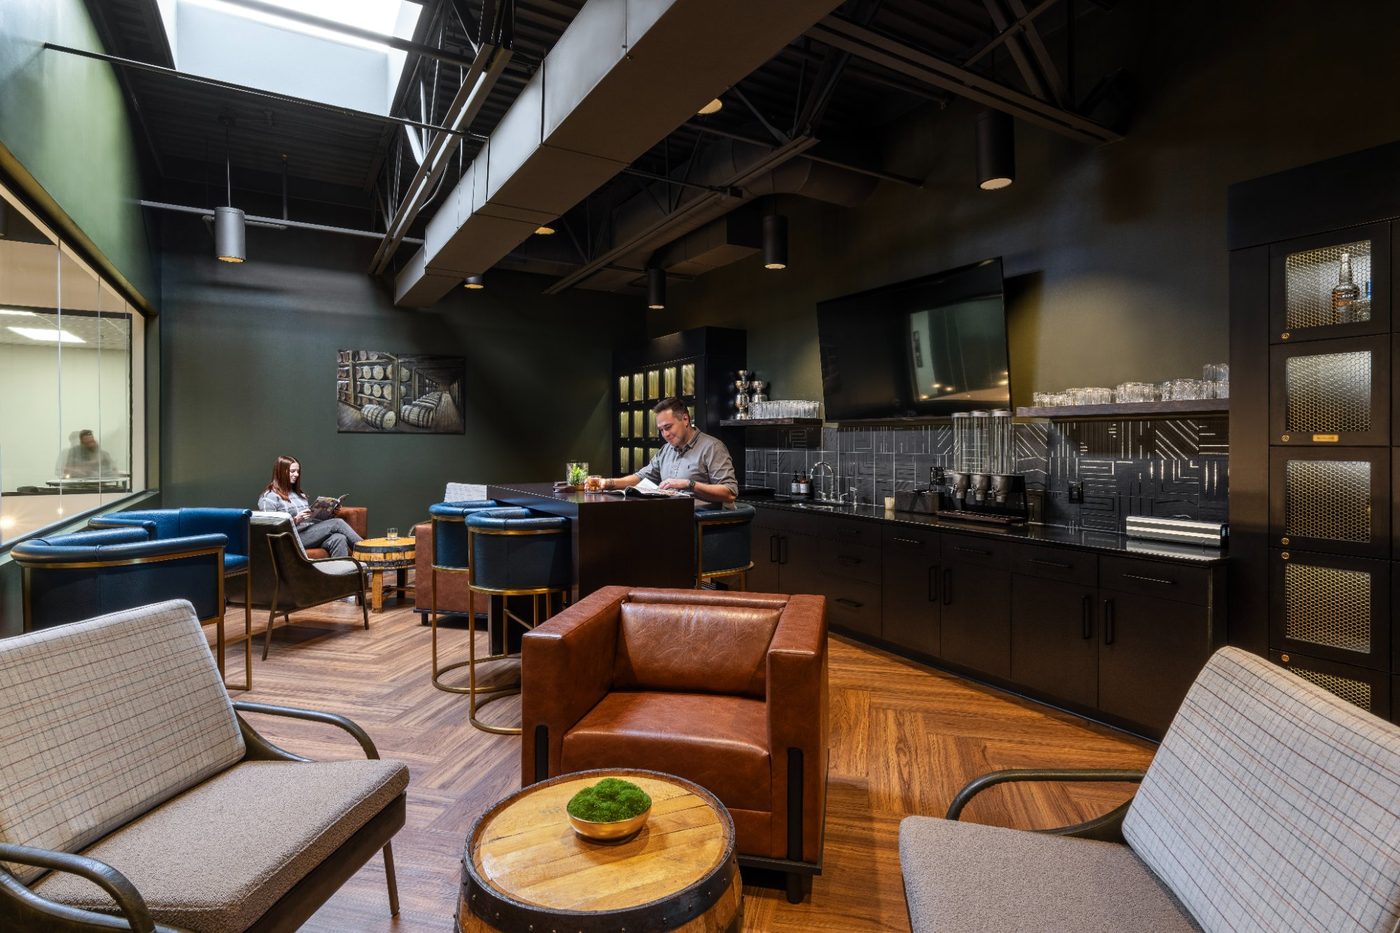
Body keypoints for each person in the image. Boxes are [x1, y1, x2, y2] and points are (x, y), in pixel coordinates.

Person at [601, 397, 737, 506]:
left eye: (668, 427)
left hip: (701, 520)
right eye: (661, 430)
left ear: (685, 419)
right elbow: (640, 477)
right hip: (670, 516)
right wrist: (607, 483)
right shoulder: (666, 450)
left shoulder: (712, 447)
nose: (665, 434)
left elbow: (730, 493)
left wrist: (689, 484)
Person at [257, 455, 362, 558]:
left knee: (339, 538)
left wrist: (330, 512)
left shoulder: (299, 495)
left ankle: (341, 570)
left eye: (298, 471)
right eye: (292, 471)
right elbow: (270, 529)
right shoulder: (268, 498)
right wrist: (295, 520)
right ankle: (367, 550)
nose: (296, 474)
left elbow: (311, 520)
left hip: (308, 533)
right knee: (338, 523)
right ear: (280, 472)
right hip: (290, 538)